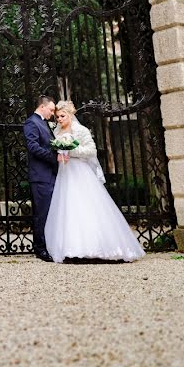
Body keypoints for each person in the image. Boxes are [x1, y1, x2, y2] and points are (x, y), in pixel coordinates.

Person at [44, 100, 145, 263]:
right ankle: (72, 248)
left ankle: (98, 247)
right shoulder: (56, 131)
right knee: (68, 206)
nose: (59, 120)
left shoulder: (81, 130)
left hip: (80, 171)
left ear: (70, 115)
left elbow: (91, 151)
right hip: (65, 172)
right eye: (57, 117)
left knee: (86, 205)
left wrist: (72, 150)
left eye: (62, 116)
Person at [22, 95, 58, 262]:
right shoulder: (32, 122)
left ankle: (50, 245)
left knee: (51, 213)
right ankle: (40, 249)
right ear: (42, 107)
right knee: (41, 214)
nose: (53, 113)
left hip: (51, 175)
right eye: (51, 109)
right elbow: (33, 146)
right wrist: (53, 157)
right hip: (40, 176)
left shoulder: (45, 123)